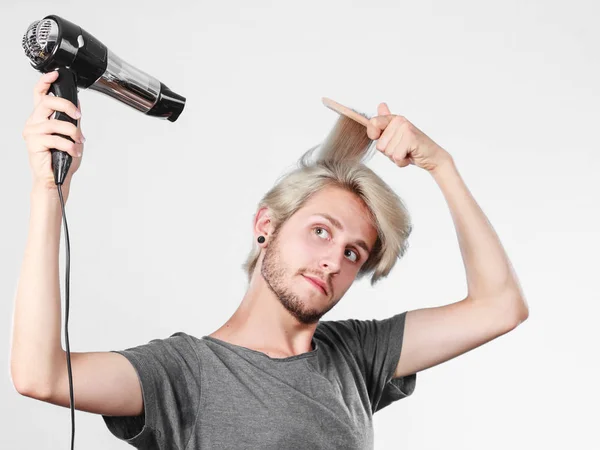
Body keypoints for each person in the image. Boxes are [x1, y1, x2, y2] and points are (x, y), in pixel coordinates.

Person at [10, 71, 529, 449]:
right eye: (320, 231)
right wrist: (47, 192)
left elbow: (500, 307)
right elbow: (40, 375)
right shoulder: (187, 372)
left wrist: (442, 165)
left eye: (353, 252)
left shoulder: (356, 356)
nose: (332, 260)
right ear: (266, 227)